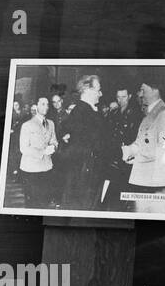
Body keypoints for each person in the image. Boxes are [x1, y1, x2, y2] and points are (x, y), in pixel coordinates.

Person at [122, 74, 165, 214]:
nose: (140, 94)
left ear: (155, 90)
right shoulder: (150, 114)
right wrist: (127, 151)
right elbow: (140, 142)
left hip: (157, 183)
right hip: (146, 180)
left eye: (143, 90)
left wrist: (136, 157)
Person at [59, 74, 107, 212]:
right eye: (98, 89)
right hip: (86, 173)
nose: (101, 93)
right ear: (87, 90)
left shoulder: (84, 110)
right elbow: (96, 144)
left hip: (84, 170)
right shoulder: (83, 112)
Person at [18, 96, 58, 209]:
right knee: (33, 203)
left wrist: (54, 147)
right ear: (36, 106)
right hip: (31, 169)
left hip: (47, 168)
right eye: (42, 104)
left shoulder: (51, 123)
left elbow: (54, 140)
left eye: (47, 104)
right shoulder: (27, 125)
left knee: (44, 200)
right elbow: (24, 148)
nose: (46, 107)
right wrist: (43, 152)